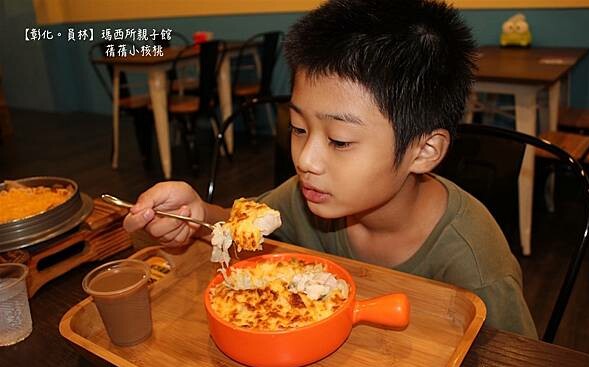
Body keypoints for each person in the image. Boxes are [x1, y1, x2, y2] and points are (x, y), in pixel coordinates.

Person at [123, 0, 538, 338]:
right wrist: (196, 216)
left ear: (424, 150)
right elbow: (238, 230)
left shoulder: (476, 267)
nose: (305, 160)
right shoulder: (306, 198)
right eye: (298, 128)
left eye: (339, 140)